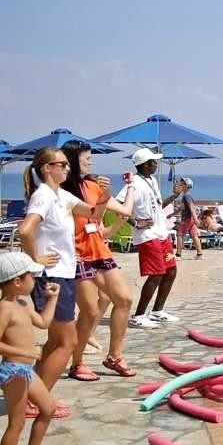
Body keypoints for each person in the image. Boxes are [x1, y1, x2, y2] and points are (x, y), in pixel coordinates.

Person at [17, 147, 107, 418]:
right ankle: (38, 401)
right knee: (67, 343)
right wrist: (35, 258)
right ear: (47, 168)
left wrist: (105, 195)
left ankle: (32, 397)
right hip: (51, 277)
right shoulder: (44, 196)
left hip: (62, 275)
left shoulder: (61, 195)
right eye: (63, 164)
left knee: (55, 343)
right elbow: (25, 230)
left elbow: (94, 213)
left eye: (68, 165)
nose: (68, 168)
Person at [0, 252, 62, 445]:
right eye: (31, 276)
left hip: (25, 370)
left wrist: (52, 299)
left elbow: (44, 323)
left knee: (48, 408)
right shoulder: (4, 308)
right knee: (16, 423)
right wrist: (26, 352)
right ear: (18, 281)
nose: (35, 281)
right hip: (13, 371)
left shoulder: (22, 304)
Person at [60, 141, 137, 381]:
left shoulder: (92, 185)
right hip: (77, 254)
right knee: (90, 311)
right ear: (73, 160)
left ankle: (114, 356)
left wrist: (126, 187)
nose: (90, 162)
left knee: (124, 299)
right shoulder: (61, 191)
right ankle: (77, 363)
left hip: (99, 251)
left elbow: (121, 211)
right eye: (86, 159)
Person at [116, 149, 179, 328]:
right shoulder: (134, 183)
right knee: (156, 273)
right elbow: (118, 204)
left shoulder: (152, 180)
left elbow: (158, 206)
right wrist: (135, 222)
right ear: (145, 165)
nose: (156, 164)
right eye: (153, 162)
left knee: (171, 271)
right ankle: (139, 315)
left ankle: (157, 311)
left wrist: (174, 196)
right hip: (147, 235)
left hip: (161, 233)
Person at [170, 177, 202, 259]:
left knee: (179, 234)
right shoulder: (185, 196)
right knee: (194, 235)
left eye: (182, 184)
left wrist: (196, 219)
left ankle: (178, 255)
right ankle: (199, 254)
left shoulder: (187, 196)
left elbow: (192, 208)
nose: (180, 185)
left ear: (186, 186)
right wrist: (171, 215)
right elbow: (180, 209)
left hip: (187, 219)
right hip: (190, 219)